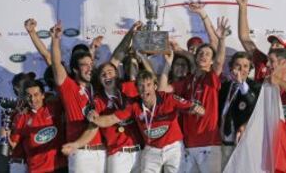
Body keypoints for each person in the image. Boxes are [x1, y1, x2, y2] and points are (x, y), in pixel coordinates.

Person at [88, 70, 205, 173]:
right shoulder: (134, 105)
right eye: (141, 86)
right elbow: (111, 119)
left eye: (148, 85)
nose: (145, 89)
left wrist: (197, 109)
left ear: (155, 86)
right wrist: (95, 119)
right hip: (152, 148)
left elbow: (193, 107)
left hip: (173, 147)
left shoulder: (168, 98)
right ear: (137, 89)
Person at [159, 17, 229, 173]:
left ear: (211, 61)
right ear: (195, 58)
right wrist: (168, 64)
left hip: (209, 144)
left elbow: (219, 63)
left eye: (207, 54)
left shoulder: (211, 78)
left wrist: (222, 40)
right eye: (201, 53)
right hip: (189, 145)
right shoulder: (187, 81)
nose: (203, 56)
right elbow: (163, 89)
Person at [61, 62, 143, 173]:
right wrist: (77, 144)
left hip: (140, 151)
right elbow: (92, 128)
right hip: (118, 155)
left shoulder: (130, 88)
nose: (107, 76)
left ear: (117, 74)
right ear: (99, 80)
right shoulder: (97, 101)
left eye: (110, 72)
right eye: (103, 74)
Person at [50, 22, 106, 173]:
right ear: (75, 69)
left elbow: (90, 69)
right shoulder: (68, 87)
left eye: (91, 64)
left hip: (102, 152)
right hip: (81, 153)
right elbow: (55, 63)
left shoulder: (96, 87)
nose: (90, 67)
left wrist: (92, 49)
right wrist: (55, 40)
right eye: (85, 65)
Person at [9, 79, 67, 173]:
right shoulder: (21, 117)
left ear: (43, 95)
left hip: (60, 166)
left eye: (36, 95)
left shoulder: (54, 107)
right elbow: (13, 145)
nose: (32, 99)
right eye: (29, 96)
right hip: (37, 170)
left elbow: (64, 90)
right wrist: (5, 134)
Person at [218, 51, 261, 170]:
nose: (242, 69)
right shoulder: (224, 86)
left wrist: (242, 84)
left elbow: (253, 103)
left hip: (243, 142)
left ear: (250, 69)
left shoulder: (256, 87)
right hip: (223, 142)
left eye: (246, 66)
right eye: (238, 65)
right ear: (231, 67)